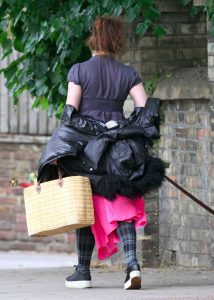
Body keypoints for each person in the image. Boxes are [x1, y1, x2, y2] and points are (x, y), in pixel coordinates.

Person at [64, 16, 148, 290]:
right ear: (117, 42)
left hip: (87, 149)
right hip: (118, 147)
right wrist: (122, 127)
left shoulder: (79, 70)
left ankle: (83, 272)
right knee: (122, 202)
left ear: (93, 38)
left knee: (85, 205)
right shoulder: (128, 73)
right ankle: (132, 265)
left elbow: (70, 114)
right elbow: (145, 110)